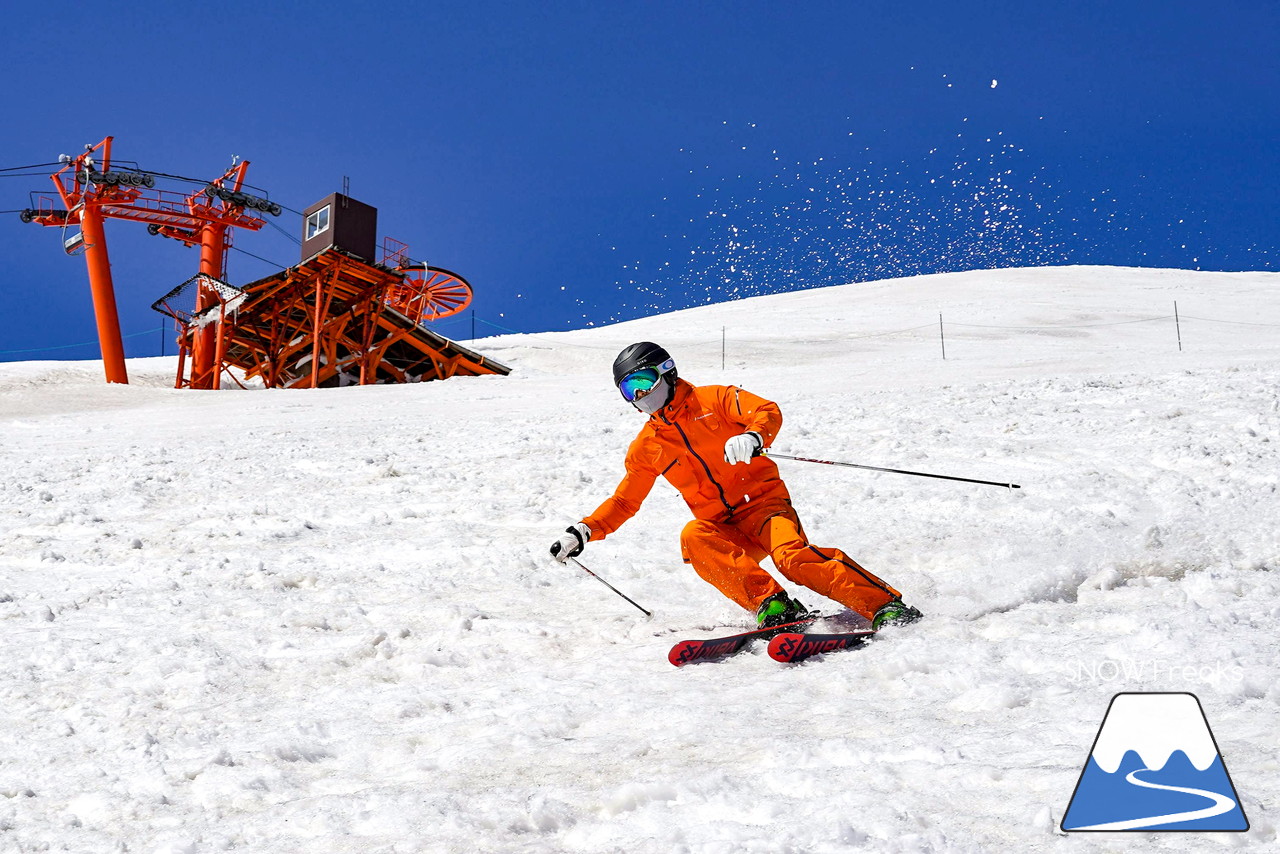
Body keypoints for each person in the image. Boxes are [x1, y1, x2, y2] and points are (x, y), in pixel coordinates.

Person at [550, 342, 923, 630]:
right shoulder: (647, 446)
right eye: (629, 390)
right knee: (694, 536)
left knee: (791, 558)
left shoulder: (715, 399)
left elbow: (767, 411)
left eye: (643, 382)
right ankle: (774, 605)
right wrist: (584, 530)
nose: (640, 396)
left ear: (667, 372)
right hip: (725, 527)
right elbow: (625, 500)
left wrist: (755, 436)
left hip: (764, 507)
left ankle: (884, 605)